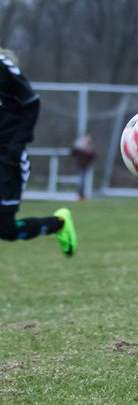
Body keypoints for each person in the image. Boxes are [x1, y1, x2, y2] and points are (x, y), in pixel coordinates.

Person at [0, 47, 77, 256]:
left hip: (7, 159)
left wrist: (15, 148)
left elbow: (31, 102)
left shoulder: (2, 66)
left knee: (5, 229)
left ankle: (59, 224)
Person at [71, 133, 97, 200]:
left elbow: (94, 155)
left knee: (84, 181)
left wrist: (89, 152)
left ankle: (82, 195)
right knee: (81, 181)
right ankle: (80, 195)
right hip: (80, 166)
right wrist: (83, 150)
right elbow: (73, 152)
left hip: (86, 166)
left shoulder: (91, 147)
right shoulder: (79, 147)